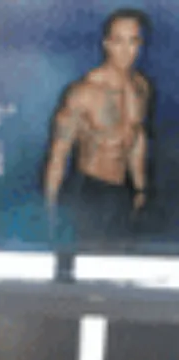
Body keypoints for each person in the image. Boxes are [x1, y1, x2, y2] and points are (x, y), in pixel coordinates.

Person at [43, 8, 153, 248]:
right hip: (88, 192)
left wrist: (140, 187)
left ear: (140, 45)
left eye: (133, 41)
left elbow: (136, 138)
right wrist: (50, 213)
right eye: (119, 41)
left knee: (120, 263)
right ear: (107, 44)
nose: (126, 50)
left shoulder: (141, 87)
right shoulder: (83, 93)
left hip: (122, 192)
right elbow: (58, 155)